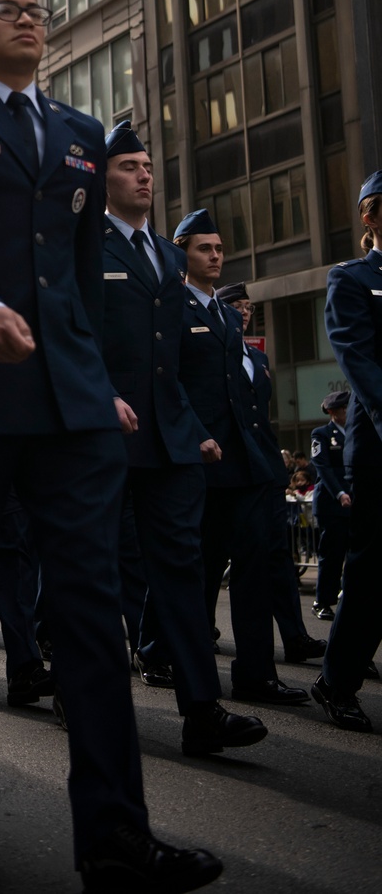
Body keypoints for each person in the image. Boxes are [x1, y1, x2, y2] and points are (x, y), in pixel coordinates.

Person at [0, 0, 222, 890]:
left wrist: (98, 379)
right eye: (3, 10)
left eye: (33, 8)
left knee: (89, 613)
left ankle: (114, 836)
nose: (27, 19)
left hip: (69, 405)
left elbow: (79, 277)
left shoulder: (77, 133)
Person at [102, 124, 266, 758]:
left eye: (147, 166)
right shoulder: (84, 248)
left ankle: (202, 710)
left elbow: (173, 363)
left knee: (181, 570)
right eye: (129, 167)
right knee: (87, 570)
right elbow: (72, 333)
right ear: (102, 178)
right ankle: (71, 683)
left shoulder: (170, 261)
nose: (144, 175)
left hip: (169, 441)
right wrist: (96, 397)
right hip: (103, 436)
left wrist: (194, 432)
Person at [174, 212, 308, 711]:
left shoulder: (231, 318)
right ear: (182, 254)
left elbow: (244, 395)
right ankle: (176, 663)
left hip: (248, 464)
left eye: (219, 248)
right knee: (199, 574)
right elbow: (169, 383)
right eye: (204, 248)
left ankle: (256, 675)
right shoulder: (172, 306)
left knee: (254, 574)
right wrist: (195, 437)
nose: (215, 256)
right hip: (205, 464)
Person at [215, 283, 325, 667]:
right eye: (236, 306)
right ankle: (173, 642)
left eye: (248, 307)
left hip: (264, 469)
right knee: (211, 558)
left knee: (276, 556)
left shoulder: (256, 358)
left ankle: (295, 636)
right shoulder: (218, 350)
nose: (244, 312)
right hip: (228, 469)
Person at [314, 172, 382, 731]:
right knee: (372, 574)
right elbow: (361, 366)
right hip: (380, 447)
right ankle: (337, 681)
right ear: (371, 216)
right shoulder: (353, 280)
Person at [309, 392, 352, 620]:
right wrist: (339, 492)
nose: (348, 412)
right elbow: (323, 467)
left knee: (354, 554)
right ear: (334, 412)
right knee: (332, 554)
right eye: (344, 409)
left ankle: (349, 596)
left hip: (354, 503)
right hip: (332, 504)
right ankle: (322, 601)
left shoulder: (355, 433)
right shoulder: (322, 434)